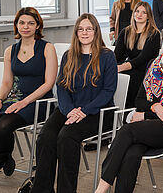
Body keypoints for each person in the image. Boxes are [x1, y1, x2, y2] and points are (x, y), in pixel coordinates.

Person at [95, 22, 163, 193]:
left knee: (127, 131)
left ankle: (100, 189)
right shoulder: (153, 64)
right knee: (131, 153)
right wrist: (156, 108)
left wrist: (146, 115)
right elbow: (139, 101)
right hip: (148, 127)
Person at [0, 8, 57, 188]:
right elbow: (7, 82)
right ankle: (4, 156)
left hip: (38, 101)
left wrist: (25, 102)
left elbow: (49, 83)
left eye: (31, 23)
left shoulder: (47, 48)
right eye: (22, 23)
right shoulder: (10, 50)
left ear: (38, 25)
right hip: (14, 99)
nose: (26, 27)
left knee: (3, 126)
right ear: (16, 25)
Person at [31, 13, 117, 193]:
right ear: (76, 32)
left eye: (89, 29)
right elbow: (61, 87)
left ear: (96, 31)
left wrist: (83, 111)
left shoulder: (107, 56)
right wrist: (70, 110)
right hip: (69, 109)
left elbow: (108, 91)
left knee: (66, 137)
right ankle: (41, 189)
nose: (84, 32)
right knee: (45, 137)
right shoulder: (69, 55)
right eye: (81, 29)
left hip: (98, 112)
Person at [114, 1, 161, 109]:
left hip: (146, 70)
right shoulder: (125, 32)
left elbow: (142, 59)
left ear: (148, 16)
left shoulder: (154, 34)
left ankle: (129, 110)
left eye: (143, 12)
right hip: (129, 67)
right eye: (137, 11)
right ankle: (114, 110)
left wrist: (121, 67)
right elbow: (116, 55)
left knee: (132, 77)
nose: (139, 15)